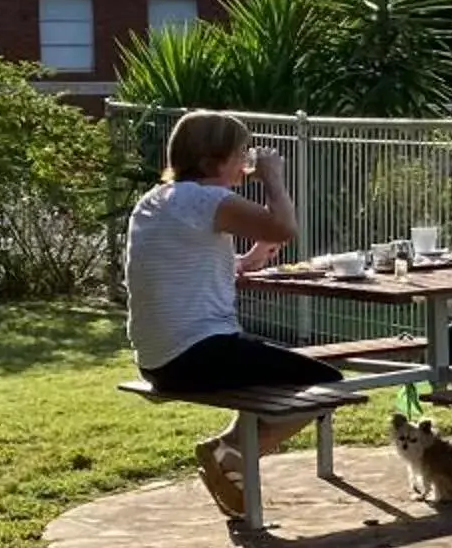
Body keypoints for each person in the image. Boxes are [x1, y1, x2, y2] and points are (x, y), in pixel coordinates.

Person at [124, 109, 343, 518]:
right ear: (211, 162)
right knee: (326, 383)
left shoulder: (154, 201)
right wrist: (274, 177)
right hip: (196, 354)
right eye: (240, 152)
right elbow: (284, 228)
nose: (248, 160)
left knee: (265, 363)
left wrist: (247, 260)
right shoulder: (208, 199)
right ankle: (233, 453)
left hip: (157, 360)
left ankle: (228, 450)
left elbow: (182, 268)